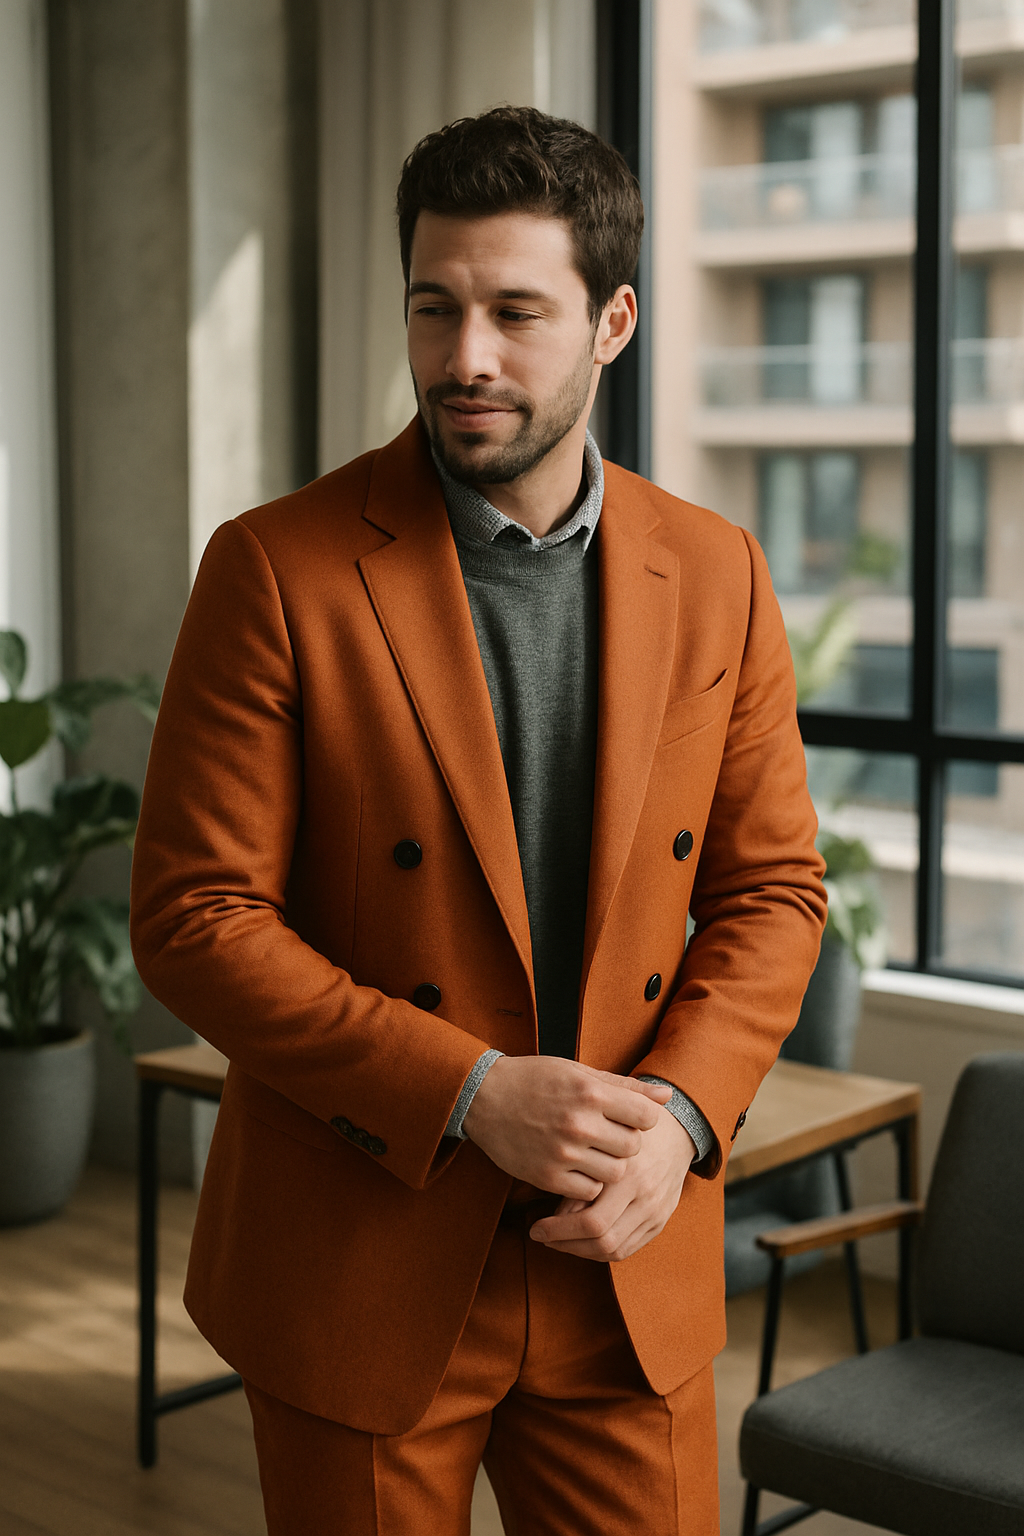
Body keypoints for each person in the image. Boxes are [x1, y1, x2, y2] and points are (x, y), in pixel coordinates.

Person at [130, 106, 827, 1536]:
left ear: (613, 319)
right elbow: (195, 918)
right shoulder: (274, 568)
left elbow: (774, 892)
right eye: (434, 308)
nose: (467, 360)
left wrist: (681, 1122)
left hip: (622, 1252)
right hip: (361, 1247)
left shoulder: (717, 570)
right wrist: (468, 1092)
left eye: (517, 311)